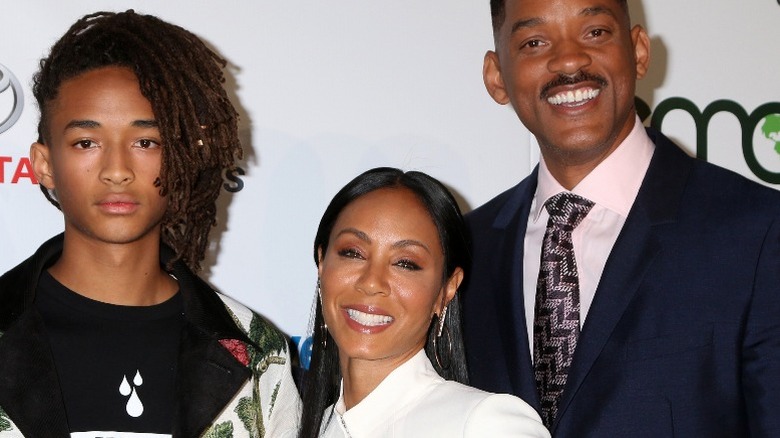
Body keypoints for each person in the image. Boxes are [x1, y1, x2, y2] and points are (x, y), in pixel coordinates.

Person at [462, 0, 780, 436]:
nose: (569, 59)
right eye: (534, 42)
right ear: (497, 77)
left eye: (594, 32)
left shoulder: (758, 234)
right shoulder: (465, 252)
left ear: (639, 52)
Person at [0, 10, 299, 437]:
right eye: (86, 142)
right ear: (44, 165)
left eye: (145, 142)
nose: (117, 169)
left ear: (181, 158)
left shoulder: (257, 355)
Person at [298, 167, 549, 437]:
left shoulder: (484, 424)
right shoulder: (310, 427)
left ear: (447, 289)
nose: (372, 282)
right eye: (353, 253)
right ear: (322, 263)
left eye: (405, 263)